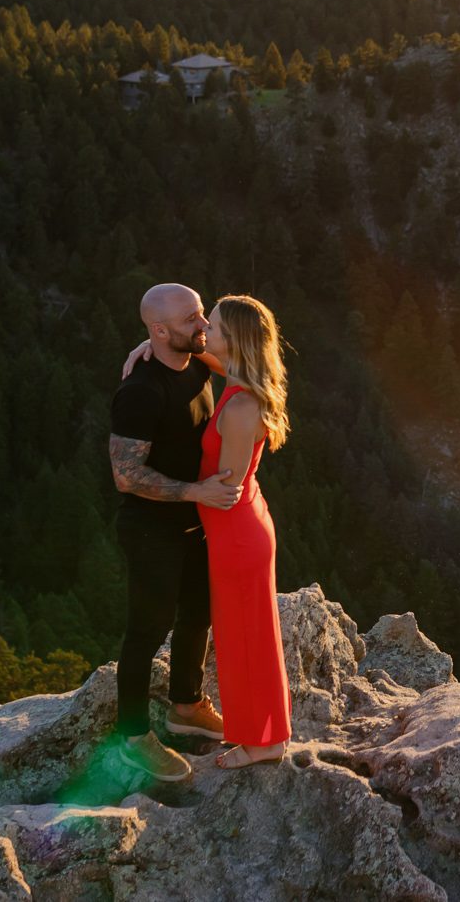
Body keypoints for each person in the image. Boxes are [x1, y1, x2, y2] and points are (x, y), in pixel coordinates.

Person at [123, 292, 295, 769]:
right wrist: (150, 343)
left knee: (247, 640)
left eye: (213, 325)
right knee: (248, 637)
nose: (205, 330)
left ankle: (263, 743)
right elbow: (198, 349)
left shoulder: (241, 408)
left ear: (234, 340)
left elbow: (226, 488)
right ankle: (263, 735)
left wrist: (185, 490)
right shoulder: (237, 376)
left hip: (235, 531)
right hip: (235, 529)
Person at [107, 282, 241, 783]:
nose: (203, 326)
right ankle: (133, 737)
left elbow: (247, 370)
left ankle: (185, 706)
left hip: (193, 520)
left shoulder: (195, 362)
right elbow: (126, 475)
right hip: (151, 528)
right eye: (191, 320)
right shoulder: (140, 392)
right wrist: (195, 492)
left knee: (198, 614)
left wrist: (199, 501)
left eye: (202, 314)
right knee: (147, 629)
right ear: (160, 329)